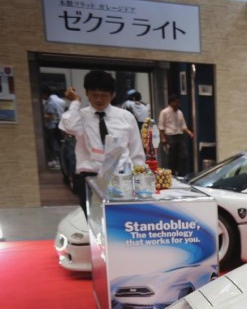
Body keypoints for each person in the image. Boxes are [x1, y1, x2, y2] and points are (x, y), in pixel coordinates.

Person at [59, 70, 145, 212]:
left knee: (121, 220)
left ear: (112, 95)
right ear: (87, 93)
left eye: (104, 96)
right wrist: (75, 102)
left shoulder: (126, 117)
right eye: (94, 95)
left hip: (121, 177)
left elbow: (136, 152)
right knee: (93, 221)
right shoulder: (80, 116)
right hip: (90, 178)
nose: (98, 99)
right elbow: (68, 126)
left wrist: (139, 180)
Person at [158, 94, 194, 175]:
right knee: (172, 157)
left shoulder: (180, 112)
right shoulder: (164, 112)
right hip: (170, 136)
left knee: (183, 156)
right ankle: (172, 174)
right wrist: (163, 137)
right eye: (176, 102)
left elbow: (183, 125)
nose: (178, 104)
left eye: (179, 102)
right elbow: (161, 126)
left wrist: (189, 132)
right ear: (171, 102)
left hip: (179, 135)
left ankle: (181, 173)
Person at [42, 87, 66, 170]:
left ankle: (55, 161)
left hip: (51, 125)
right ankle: (60, 161)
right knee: (59, 143)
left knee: (51, 143)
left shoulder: (50, 103)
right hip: (59, 124)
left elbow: (50, 116)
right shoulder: (61, 101)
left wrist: (42, 116)